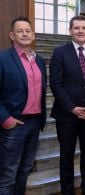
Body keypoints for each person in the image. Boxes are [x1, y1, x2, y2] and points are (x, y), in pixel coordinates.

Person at [49, 15, 85, 195]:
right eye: (76, 28)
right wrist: (72, 108)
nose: (80, 31)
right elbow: (55, 84)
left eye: (84, 28)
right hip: (66, 116)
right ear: (70, 31)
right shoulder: (60, 52)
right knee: (66, 157)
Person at [0, 16, 46, 195]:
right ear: (12, 35)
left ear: (33, 35)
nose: (25, 34)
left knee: (24, 170)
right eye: (20, 31)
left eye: (28, 31)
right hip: (13, 125)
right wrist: (5, 119)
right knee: (7, 175)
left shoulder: (39, 61)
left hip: (34, 124)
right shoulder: (3, 58)